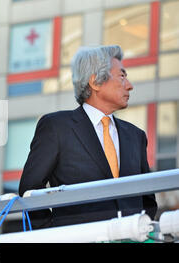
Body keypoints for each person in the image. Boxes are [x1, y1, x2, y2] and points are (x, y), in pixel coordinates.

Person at [18, 45, 157, 229]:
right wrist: (54, 235)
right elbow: (30, 191)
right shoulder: (57, 127)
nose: (129, 86)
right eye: (122, 76)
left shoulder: (135, 136)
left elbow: (147, 199)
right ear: (95, 82)